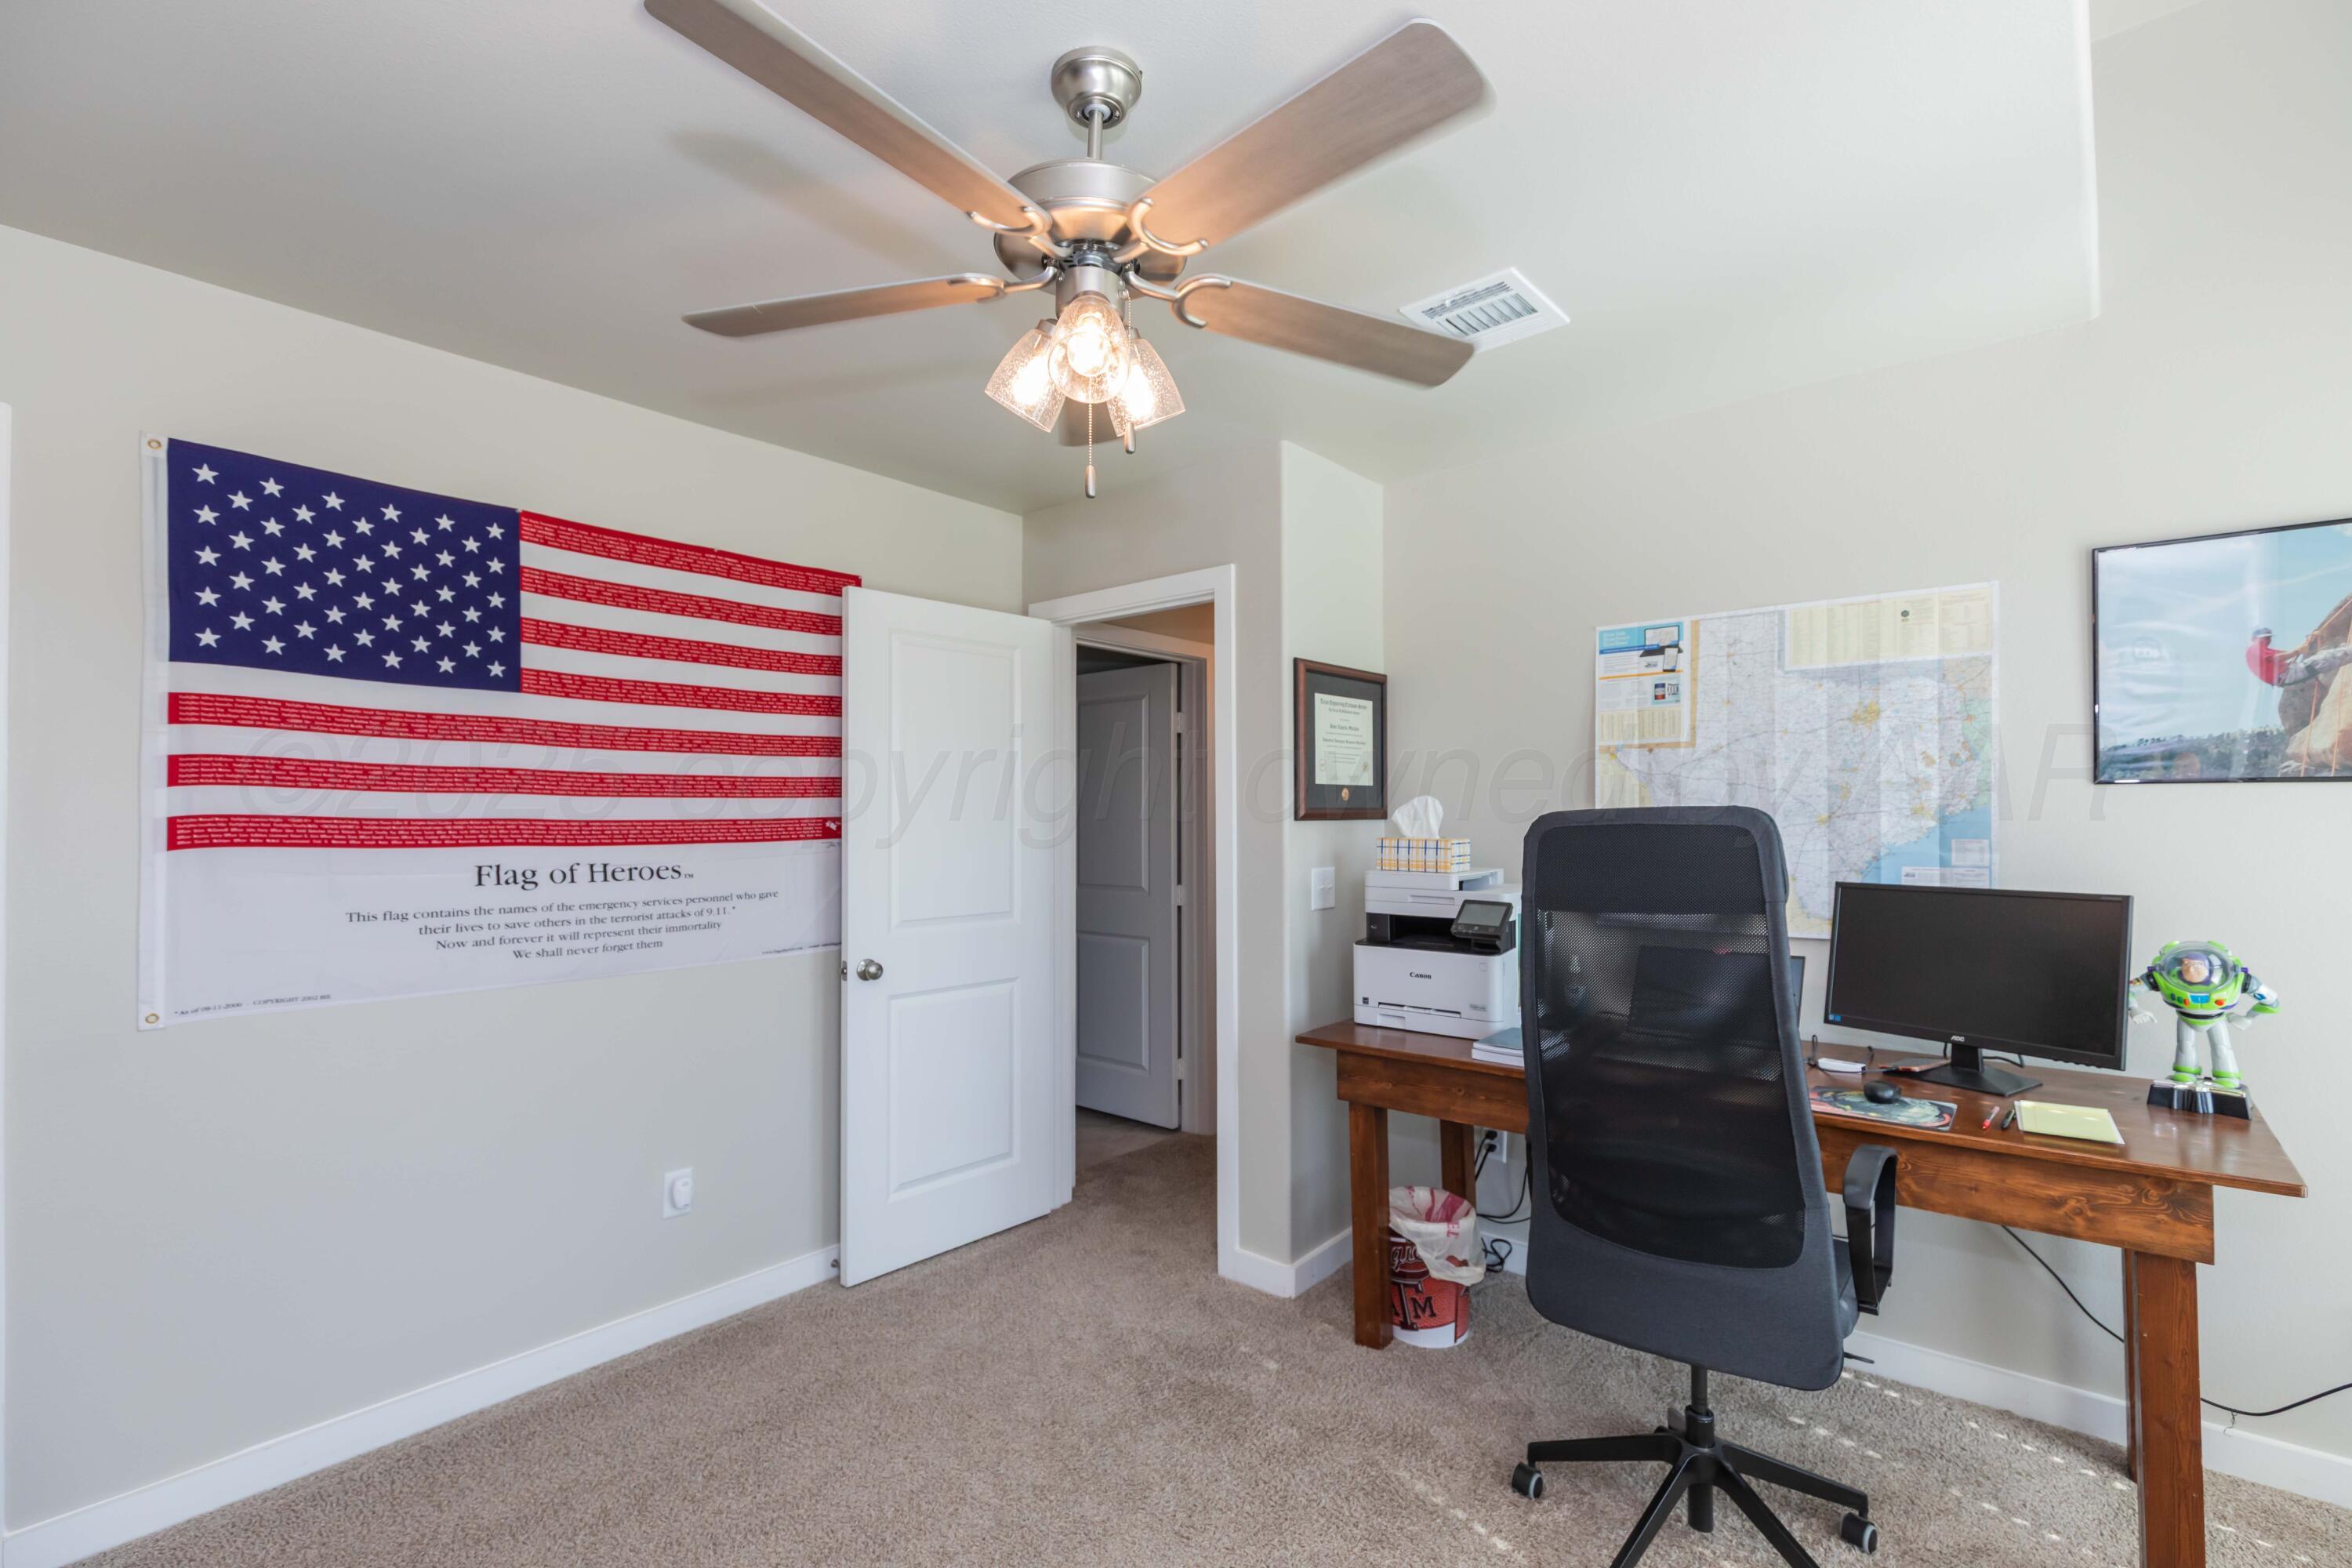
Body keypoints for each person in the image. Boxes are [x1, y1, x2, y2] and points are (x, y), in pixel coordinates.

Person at [2247, 593, 2352, 775]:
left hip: (2287, 675)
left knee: (2322, 660)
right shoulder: (2256, 649)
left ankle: (2343, 650)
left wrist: (2305, 645)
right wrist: (2298, 650)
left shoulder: (2259, 650)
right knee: (2325, 658)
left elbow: (2286, 654)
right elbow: (2281, 656)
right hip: (2289, 674)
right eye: (2267, 638)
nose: (2269, 640)